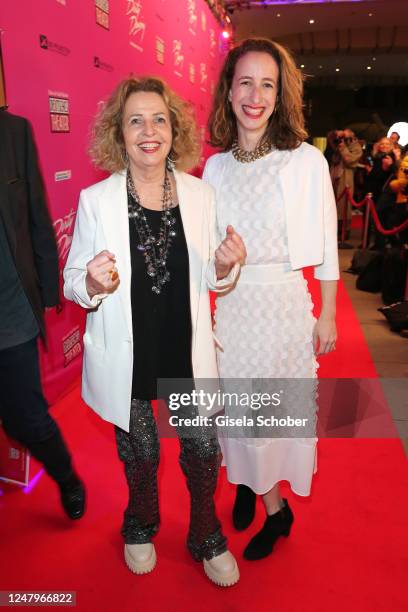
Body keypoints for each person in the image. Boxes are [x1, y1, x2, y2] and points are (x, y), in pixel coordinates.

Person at [63, 77, 246, 585]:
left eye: (159, 118)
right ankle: (140, 525)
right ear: (119, 133)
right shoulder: (96, 200)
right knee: (141, 452)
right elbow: (74, 279)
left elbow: (212, 273)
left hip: (184, 349)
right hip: (129, 351)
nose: (149, 130)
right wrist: (92, 281)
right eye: (135, 120)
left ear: (174, 128)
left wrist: (227, 265)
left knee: (203, 450)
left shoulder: (200, 193)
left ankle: (205, 534)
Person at [203, 38, 339, 561]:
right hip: (234, 308)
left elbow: (326, 239)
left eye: (267, 84)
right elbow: (209, 252)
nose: (255, 96)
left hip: (282, 307)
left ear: (280, 95)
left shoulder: (302, 161)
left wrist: (327, 312)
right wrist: (220, 261)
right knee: (237, 412)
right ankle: (246, 482)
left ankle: (278, 513)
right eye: (245, 83)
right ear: (229, 91)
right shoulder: (215, 168)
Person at [0, 109, 85, 519]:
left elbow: (36, 213)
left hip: (9, 307)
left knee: (25, 419)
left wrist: (50, 285)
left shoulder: (14, 131)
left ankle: (67, 477)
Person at [327, 128, 363, 239]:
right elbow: (330, 137)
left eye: (347, 136)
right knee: (333, 204)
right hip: (334, 175)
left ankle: (344, 231)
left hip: (345, 178)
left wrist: (343, 148)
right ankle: (333, 229)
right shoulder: (339, 142)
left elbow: (350, 160)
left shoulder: (357, 147)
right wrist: (336, 134)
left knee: (344, 205)